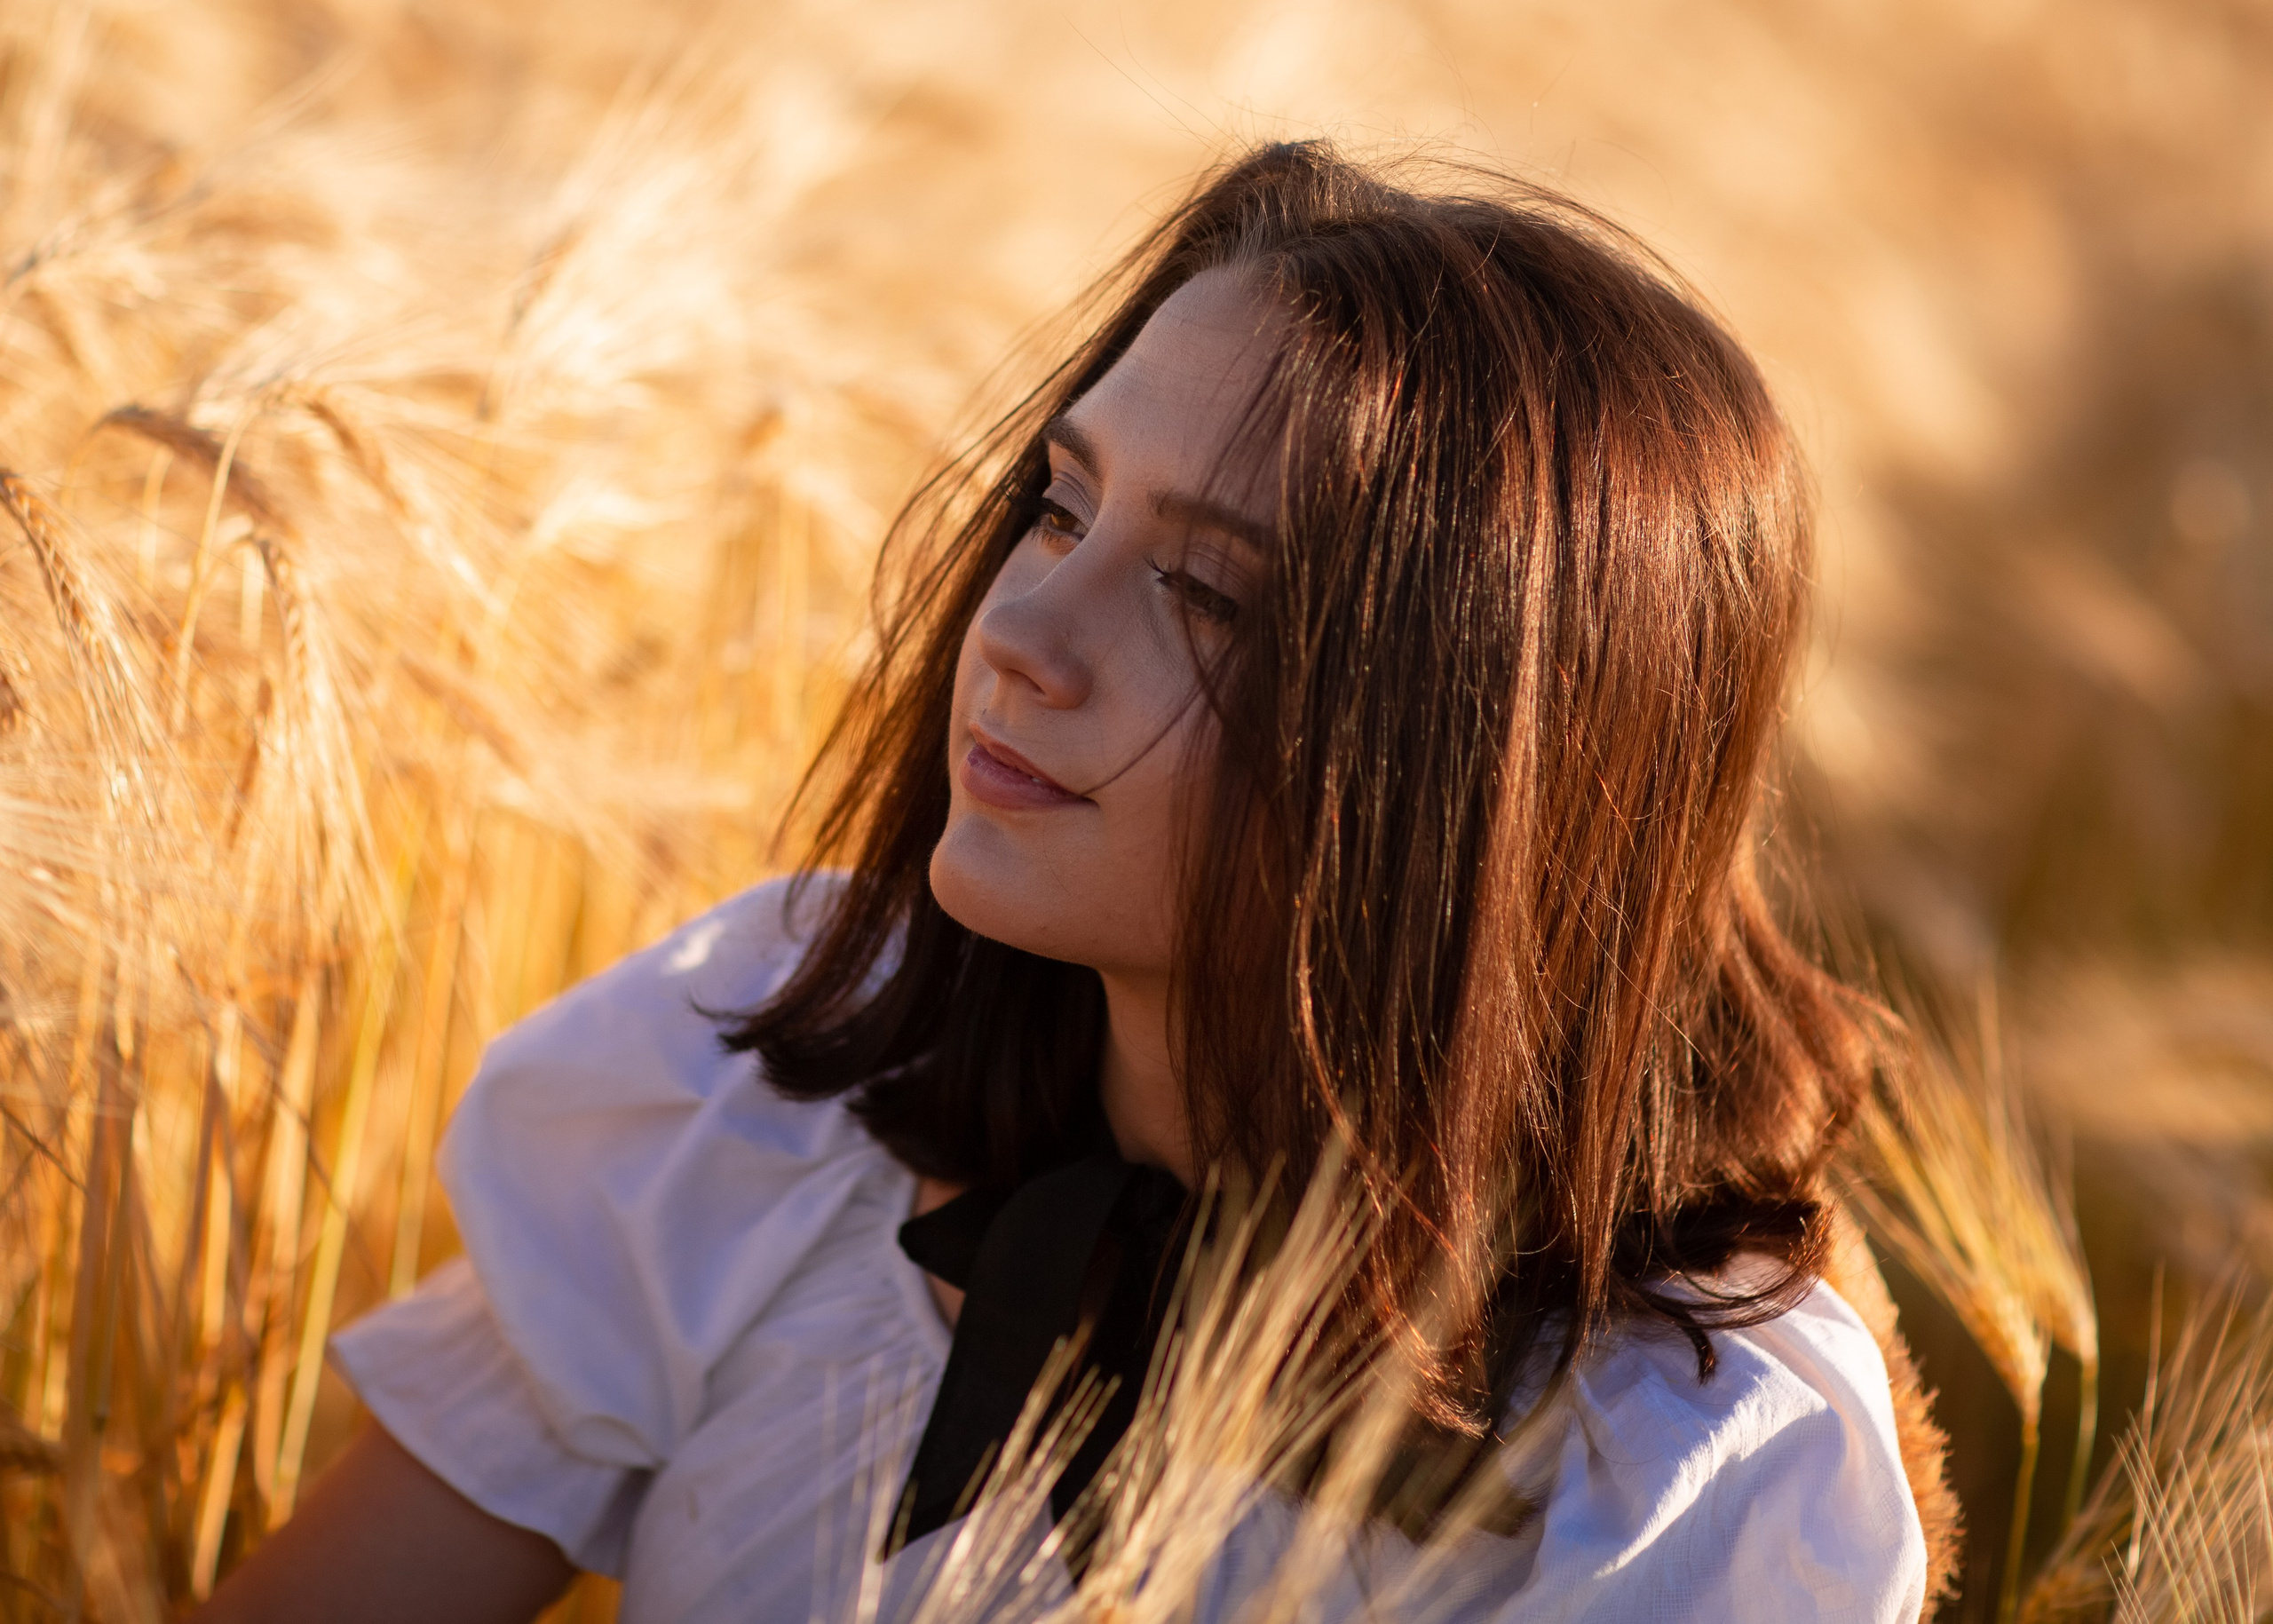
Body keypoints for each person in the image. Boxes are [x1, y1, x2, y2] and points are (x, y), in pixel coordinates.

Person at [194, 142, 1943, 1624]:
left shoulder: (1685, 1474)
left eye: (1208, 595)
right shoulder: (768, 1102)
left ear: (1482, 766)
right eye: (1058, 506)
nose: (1022, 629)